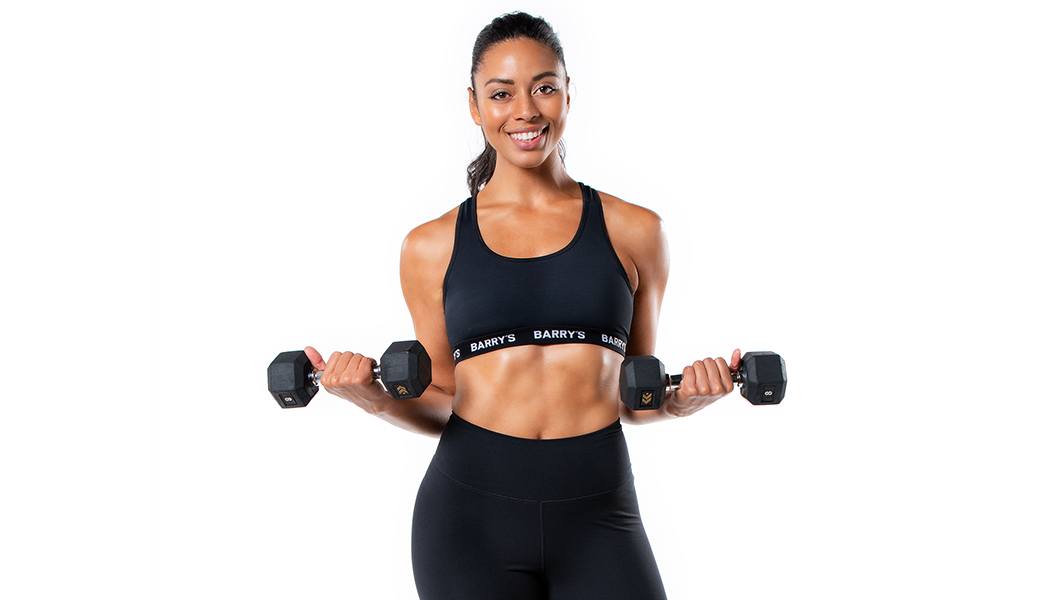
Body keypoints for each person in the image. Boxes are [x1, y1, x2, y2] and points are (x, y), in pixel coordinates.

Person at [305, 11, 742, 600]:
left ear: (568, 93)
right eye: (501, 93)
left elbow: (636, 398)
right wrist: (373, 399)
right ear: (474, 105)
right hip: (468, 518)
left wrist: (685, 400)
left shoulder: (637, 231)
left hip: (599, 512)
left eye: (544, 87)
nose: (525, 111)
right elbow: (440, 401)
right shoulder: (430, 246)